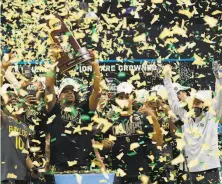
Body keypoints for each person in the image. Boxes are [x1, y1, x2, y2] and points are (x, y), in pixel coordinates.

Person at [44, 44, 101, 173]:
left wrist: (95, 65)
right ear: (58, 97)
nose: (69, 93)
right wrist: (54, 60)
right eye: (65, 91)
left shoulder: (83, 110)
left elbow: (97, 92)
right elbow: (48, 87)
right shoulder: (54, 109)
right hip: (59, 167)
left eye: (72, 91)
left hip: (83, 166)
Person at [163, 64, 222, 184]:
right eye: (193, 103)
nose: (195, 105)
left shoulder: (211, 116)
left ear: (204, 105)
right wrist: (167, 77)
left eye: (198, 103)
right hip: (192, 170)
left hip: (210, 168)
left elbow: (220, 97)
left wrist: (219, 78)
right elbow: (173, 100)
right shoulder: (186, 117)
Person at [102, 82, 163, 184]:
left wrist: (154, 119)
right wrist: (104, 144)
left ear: (133, 98)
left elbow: (158, 142)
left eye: (127, 96)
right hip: (118, 173)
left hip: (141, 173)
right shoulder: (110, 120)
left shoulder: (143, 118)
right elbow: (103, 147)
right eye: (121, 97)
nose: (124, 100)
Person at [1, 54, 39, 184]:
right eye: (8, 96)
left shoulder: (23, 125)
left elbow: (25, 154)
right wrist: (2, 70)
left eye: (14, 96)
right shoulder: (3, 120)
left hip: (23, 178)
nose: (12, 98)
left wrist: (34, 169)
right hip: (5, 177)